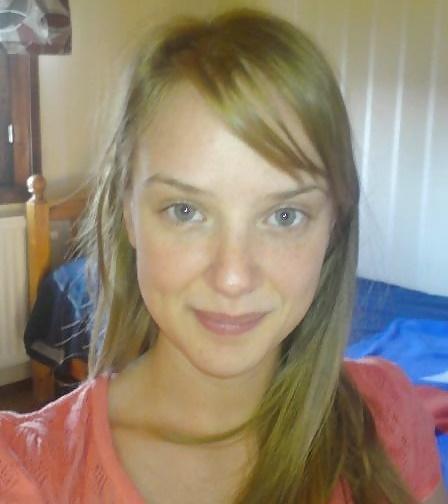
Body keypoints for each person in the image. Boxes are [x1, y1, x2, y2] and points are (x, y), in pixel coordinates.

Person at [0, 8, 445, 504]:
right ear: (128, 213)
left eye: (284, 216)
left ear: (333, 226)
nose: (233, 277)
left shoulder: (385, 415)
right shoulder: (25, 471)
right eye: (186, 211)